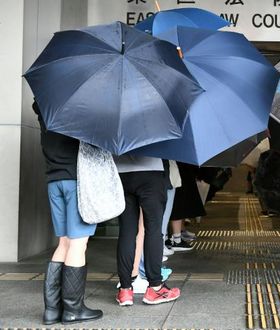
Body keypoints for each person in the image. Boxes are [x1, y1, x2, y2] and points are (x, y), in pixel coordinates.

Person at [34, 101, 103, 325]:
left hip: (54, 181)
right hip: (76, 182)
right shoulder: (78, 110)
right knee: (78, 244)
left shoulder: (46, 110)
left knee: (63, 243)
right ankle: (73, 309)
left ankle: (52, 311)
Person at [114, 155, 180, 306]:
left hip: (121, 172)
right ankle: (155, 287)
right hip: (151, 171)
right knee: (154, 231)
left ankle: (125, 290)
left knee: (126, 231)